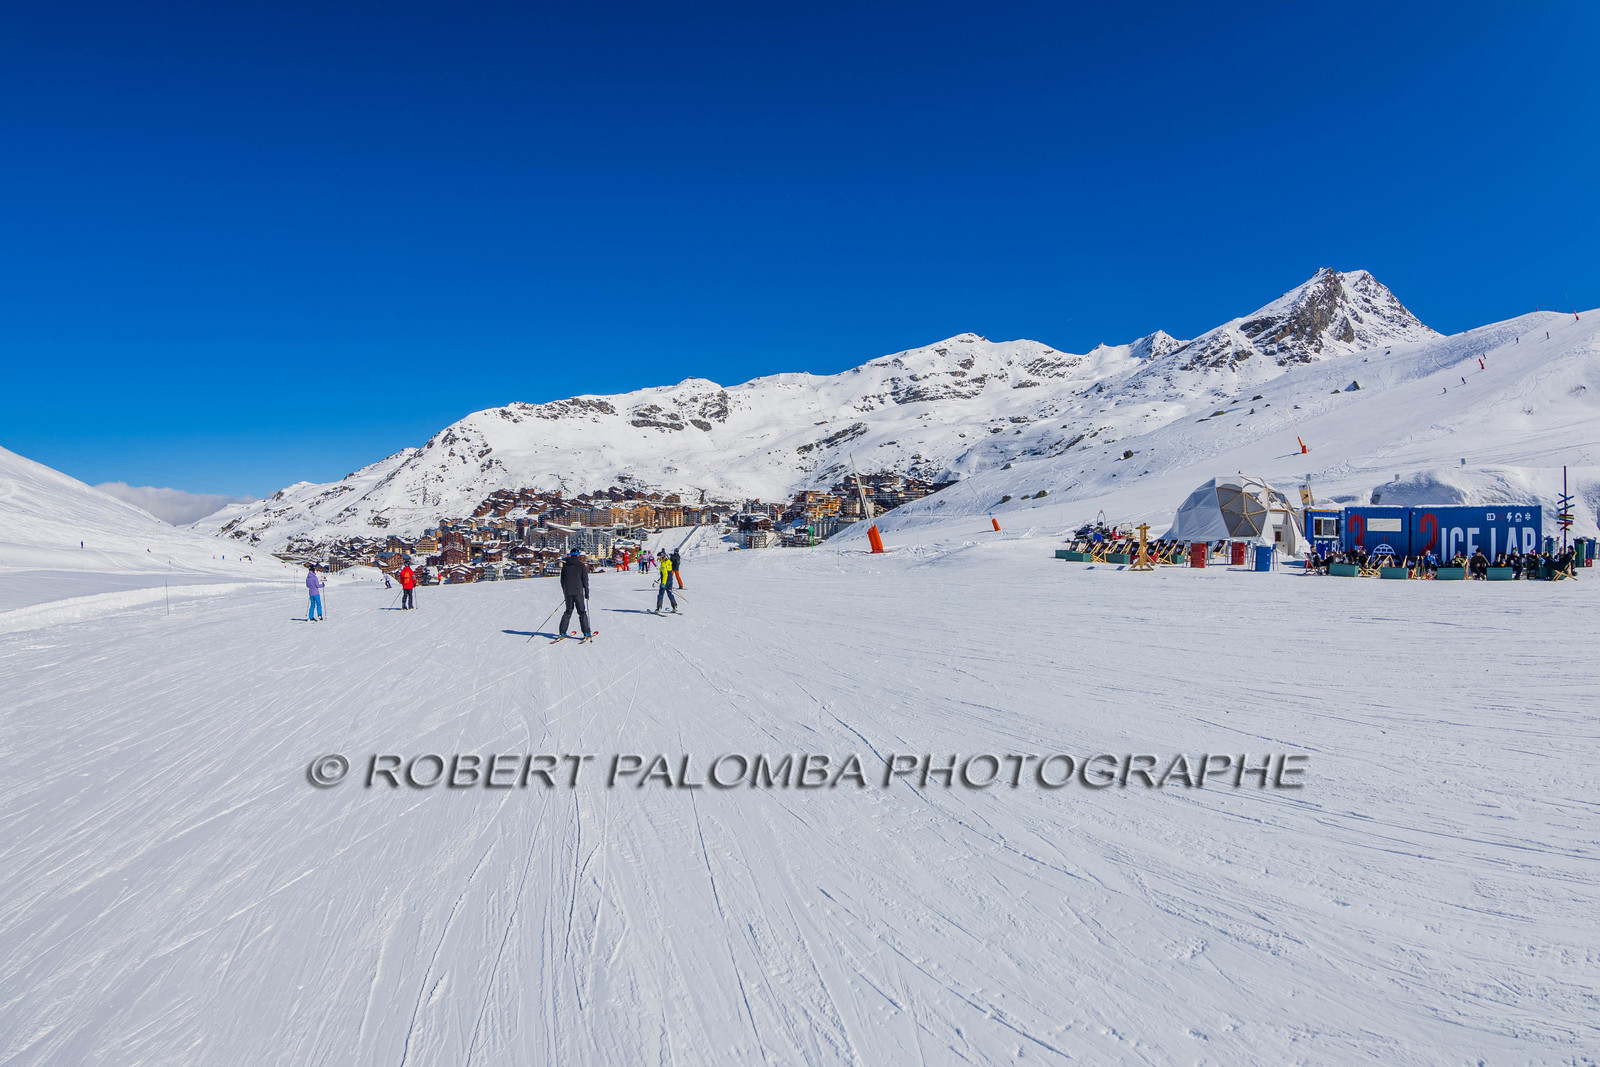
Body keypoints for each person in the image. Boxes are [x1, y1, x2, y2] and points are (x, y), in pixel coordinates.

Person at [558, 549, 592, 638]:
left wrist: (565, 591)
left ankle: (562, 632)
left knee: (568, 611)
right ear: (578, 555)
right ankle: (586, 633)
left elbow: (562, 580)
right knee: (581, 612)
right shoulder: (581, 565)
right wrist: (587, 593)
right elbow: (585, 580)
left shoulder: (565, 565)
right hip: (578, 592)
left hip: (568, 592)